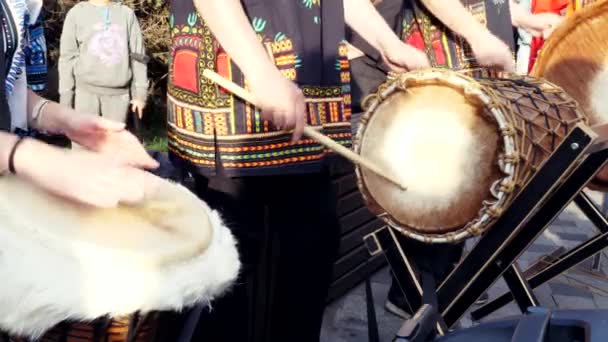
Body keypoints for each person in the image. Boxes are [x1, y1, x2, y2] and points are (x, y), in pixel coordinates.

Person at [166, 0, 428, 341]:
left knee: (312, 249)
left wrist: (388, 44)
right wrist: (261, 73)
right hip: (238, 92)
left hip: (307, 93)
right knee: (225, 276)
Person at [0, 0, 158, 210]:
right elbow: (68, 58)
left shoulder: (24, 4)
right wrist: (35, 159)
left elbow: (10, 94)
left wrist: (64, 118)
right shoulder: (77, 14)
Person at [58, 0, 148, 124]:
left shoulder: (126, 14)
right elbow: (67, 58)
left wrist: (140, 95)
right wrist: (66, 99)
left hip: (118, 97)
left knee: (113, 141)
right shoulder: (76, 14)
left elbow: (138, 57)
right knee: (83, 141)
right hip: (84, 95)